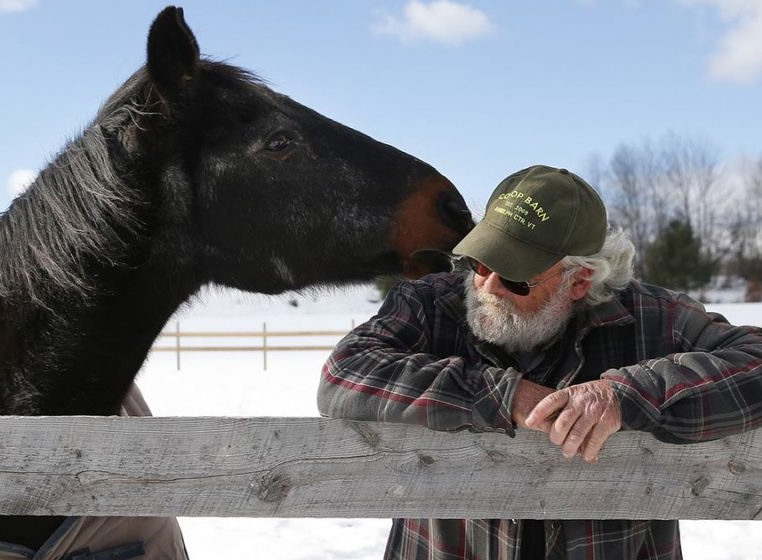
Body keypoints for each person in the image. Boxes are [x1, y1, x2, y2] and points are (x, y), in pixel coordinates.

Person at [318, 164, 762, 560]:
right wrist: (500, 394)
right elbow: (344, 373)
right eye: (478, 262)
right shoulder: (430, 306)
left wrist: (627, 395)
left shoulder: (649, 319)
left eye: (514, 275)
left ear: (581, 279)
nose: (487, 285)